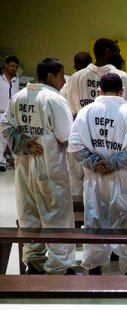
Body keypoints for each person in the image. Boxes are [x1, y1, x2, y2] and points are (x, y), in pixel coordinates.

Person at [0, 57, 77, 274]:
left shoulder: (19, 96)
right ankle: (59, 267)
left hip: (24, 169)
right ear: (50, 76)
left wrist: (23, 143)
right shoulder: (54, 99)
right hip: (51, 168)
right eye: (61, 76)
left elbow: (5, 125)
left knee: (30, 216)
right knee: (57, 218)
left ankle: (34, 262)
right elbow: (67, 138)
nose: (64, 81)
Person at [68, 73, 127, 275]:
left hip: (95, 178)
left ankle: (94, 265)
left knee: (94, 219)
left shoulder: (86, 112)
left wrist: (95, 163)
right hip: (124, 177)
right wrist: (113, 163)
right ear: (122, 91)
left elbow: (75, 143)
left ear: (99, 91)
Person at [62, 38, 127, 195]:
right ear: (107, 52)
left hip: (86, 145)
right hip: (117, 145)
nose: (120, 56)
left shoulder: (76, 77)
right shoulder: (123, 77)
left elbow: (71, 111)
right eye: (117, 52)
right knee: (118, 195)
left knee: (84, 193)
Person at [1, 55, 21, 172]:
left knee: (12, 138)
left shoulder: (16, 79)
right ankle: (1, 163)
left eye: (16, 67)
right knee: (0, 140)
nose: (14, 69)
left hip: (11, 113)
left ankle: (17, 162)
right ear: (6, 65)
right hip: (0, 111)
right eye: (12, 66)